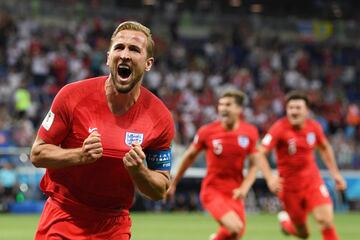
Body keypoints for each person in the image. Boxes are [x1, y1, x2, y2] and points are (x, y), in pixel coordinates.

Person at [30, 21, 175, 240]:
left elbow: (160, 189)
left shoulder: (160, 117)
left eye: (134, 49)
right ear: (108, 57)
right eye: (119, 47)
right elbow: (38, 154)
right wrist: (79, 155)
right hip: (64, 216)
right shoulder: (71, 96)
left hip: (113, 225)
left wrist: (139, 171)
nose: (125, 55)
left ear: (148, 63)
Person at [167, 90, 259, 240]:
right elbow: (189, 156)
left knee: (236, 233)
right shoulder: (207, 131)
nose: (223, 108)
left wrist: (244, 187)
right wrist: (174, 182)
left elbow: (255, 165)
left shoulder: (250, 132)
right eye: (221, 104)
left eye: (228, 105)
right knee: (235, 227)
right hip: (213, 190)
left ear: (239, 109)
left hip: (235, 192)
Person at [258, 90, 347, 240]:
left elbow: (325, 148)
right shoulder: (279, 128)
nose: (294, 111)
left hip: (312, 181)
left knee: (325, 220)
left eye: (298, 108)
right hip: (289, 187)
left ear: (306, 110)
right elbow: (259, 153)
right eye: (290, 108)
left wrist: (336, 174)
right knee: (303, 234)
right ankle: (286, 223)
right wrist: (269, 177)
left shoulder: (314, 127)